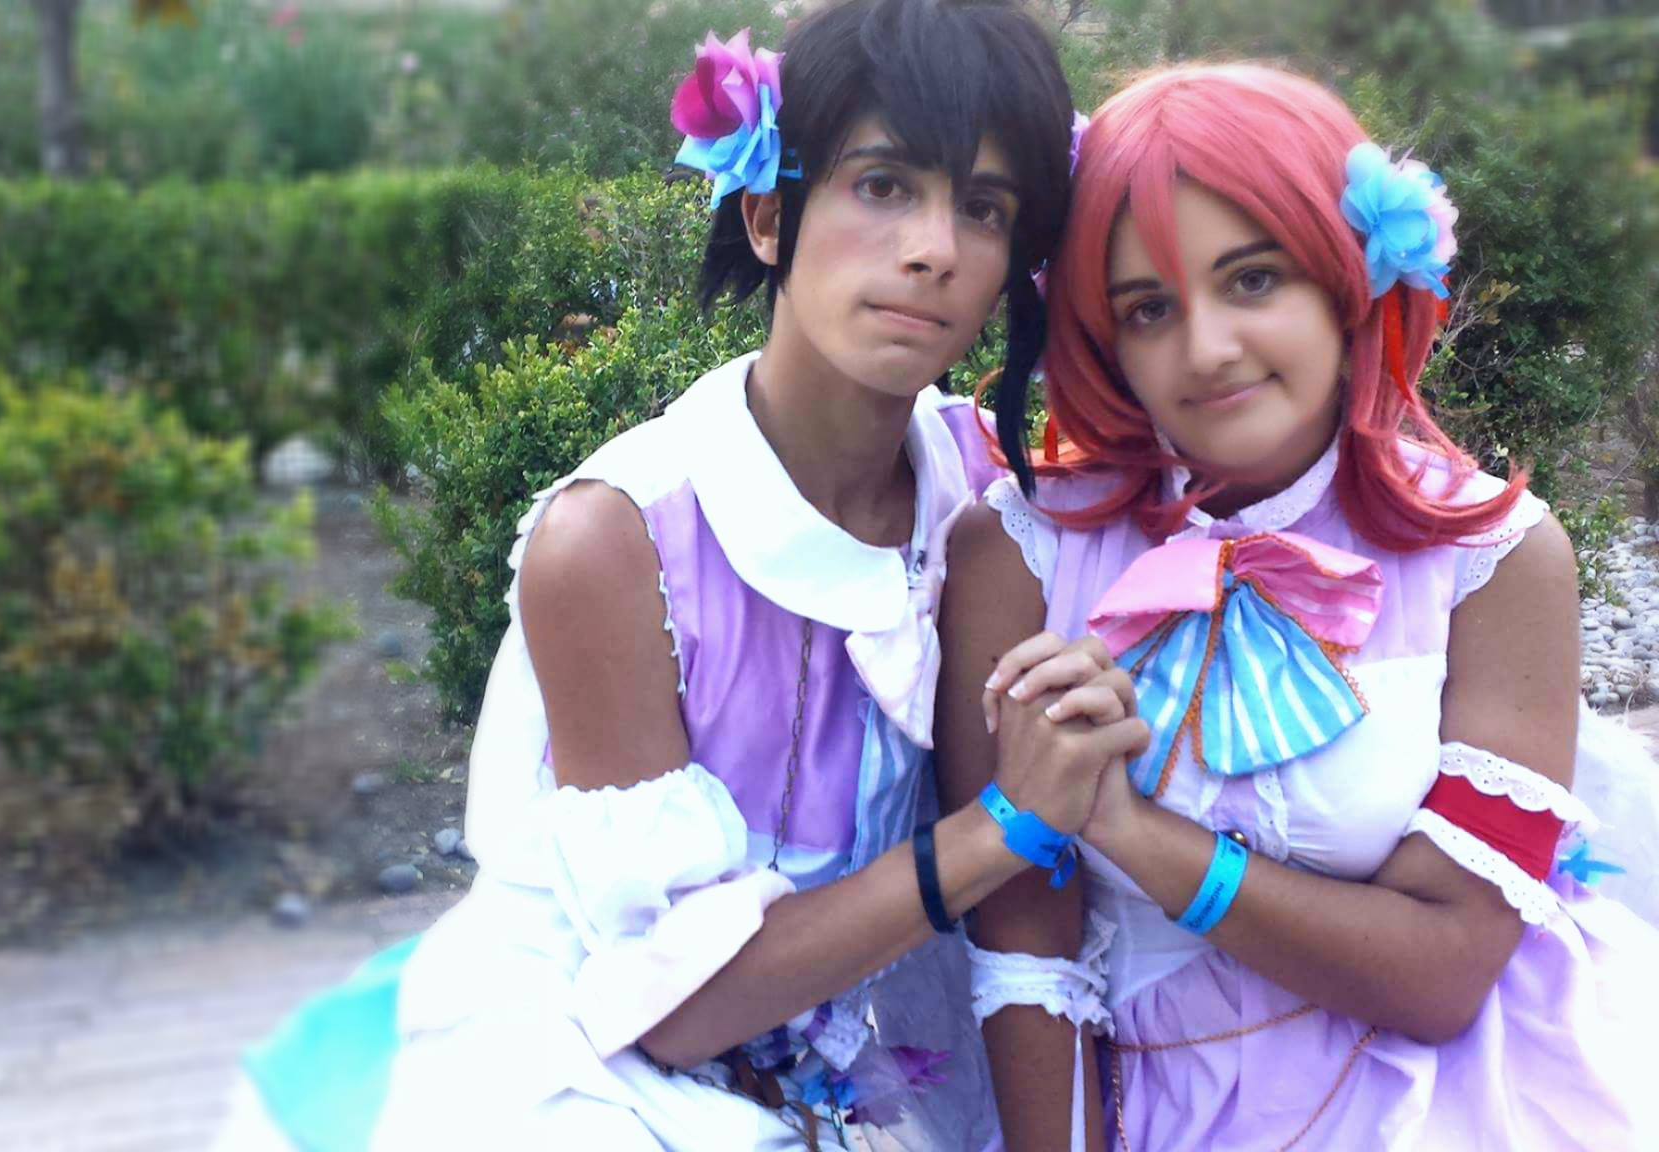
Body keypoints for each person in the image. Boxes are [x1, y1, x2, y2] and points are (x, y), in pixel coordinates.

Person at [213, 3, 1126, 1150]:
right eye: (881, 185)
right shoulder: (616, 541)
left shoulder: (978, 503)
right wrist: (998, 832)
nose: (933, 247)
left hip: (863, 1045)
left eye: (983, 207)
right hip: (600, 1060)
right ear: (766, 215)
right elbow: (674, 1009)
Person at [941, 62, 1659, 1150]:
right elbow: (1023, 952)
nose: (1207, 349)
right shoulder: (1020, 554)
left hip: (1462, 1105)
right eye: (1148, 308)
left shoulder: (1495, 559)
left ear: (1344, 277)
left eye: (1251, 280)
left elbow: (1441, 974)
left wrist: (1132, 833)